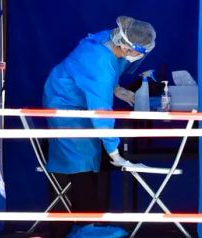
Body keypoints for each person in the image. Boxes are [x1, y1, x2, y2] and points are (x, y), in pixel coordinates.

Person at [43, 16, 156, 238]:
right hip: (64, 103)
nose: (139, 57)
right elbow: (101, 112)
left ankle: (82, 226)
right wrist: (114, 150)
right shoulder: (99, 64)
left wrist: (116, 88)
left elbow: (106, 71)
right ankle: (84, 229)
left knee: (87, 161)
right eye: (138, 53)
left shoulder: (111, 38)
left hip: (79, 97)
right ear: (125, 46)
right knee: (81, 164)